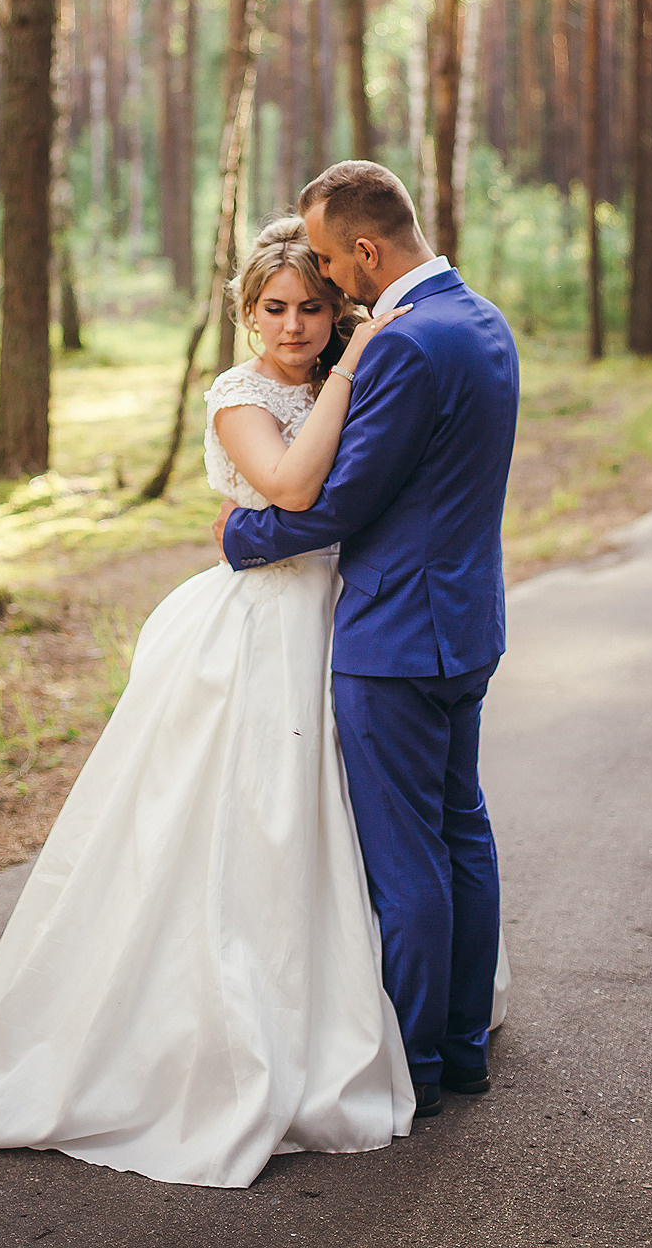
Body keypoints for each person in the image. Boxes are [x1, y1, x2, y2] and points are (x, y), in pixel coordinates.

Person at [0, 215, 417, 1188]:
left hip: (344, 618)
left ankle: (361, 1002)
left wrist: (356, 374)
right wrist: (349, 371)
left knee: (344, 814)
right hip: (256, 628)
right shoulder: (240, 397)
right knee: (239, 815)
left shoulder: (354, 380)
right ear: (248, 317)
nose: (294, 327)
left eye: (314, 310)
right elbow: (287, 485)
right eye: (276, 309)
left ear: (338, 310)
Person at [215, 162, 520, 1121]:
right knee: (462, 831)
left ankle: (421, 1065)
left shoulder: (404, 346)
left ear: (364, 250)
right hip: (467, 624)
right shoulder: (483, 322)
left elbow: (339, 499)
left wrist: (241, 536)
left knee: (407, 857)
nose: (329, 298)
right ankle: (464, 1047)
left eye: (333, 277)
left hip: (394, 637)